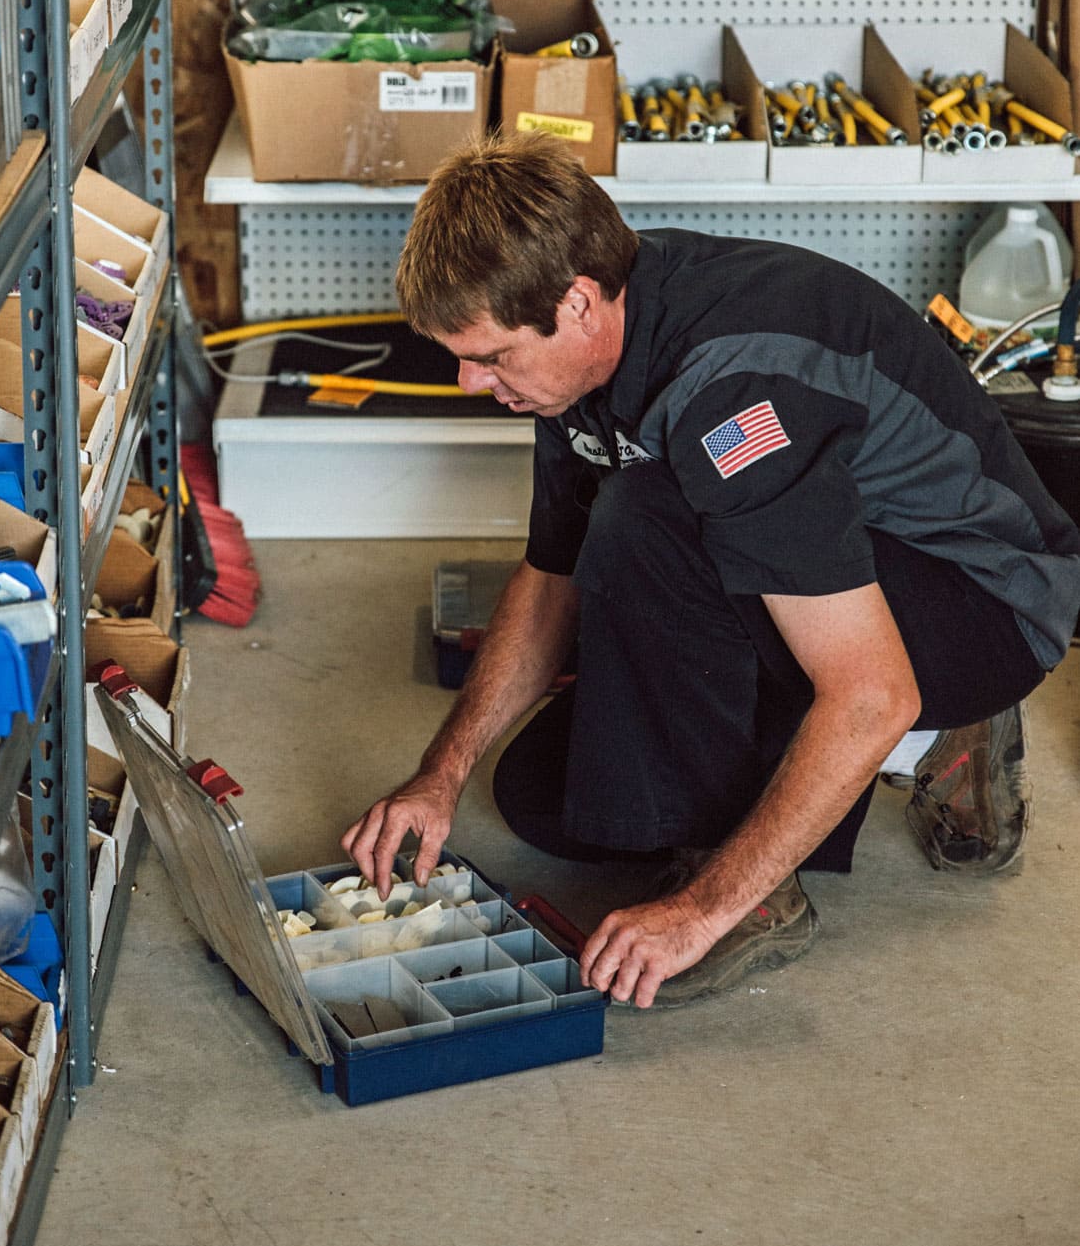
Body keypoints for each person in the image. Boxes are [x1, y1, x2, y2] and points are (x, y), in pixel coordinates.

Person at [341, 132, 1080, 1009]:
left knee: (647, 512)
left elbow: (872, 694)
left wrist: (700, 909)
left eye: (489, 355)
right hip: (826, 571)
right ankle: (809, 782)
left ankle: (784, 883)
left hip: (980, 600)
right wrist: (440, 773)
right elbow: (552, 577)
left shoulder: (734, 388)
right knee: (546, 799)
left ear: (577, 303)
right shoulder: (573, 364)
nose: (469, 381)